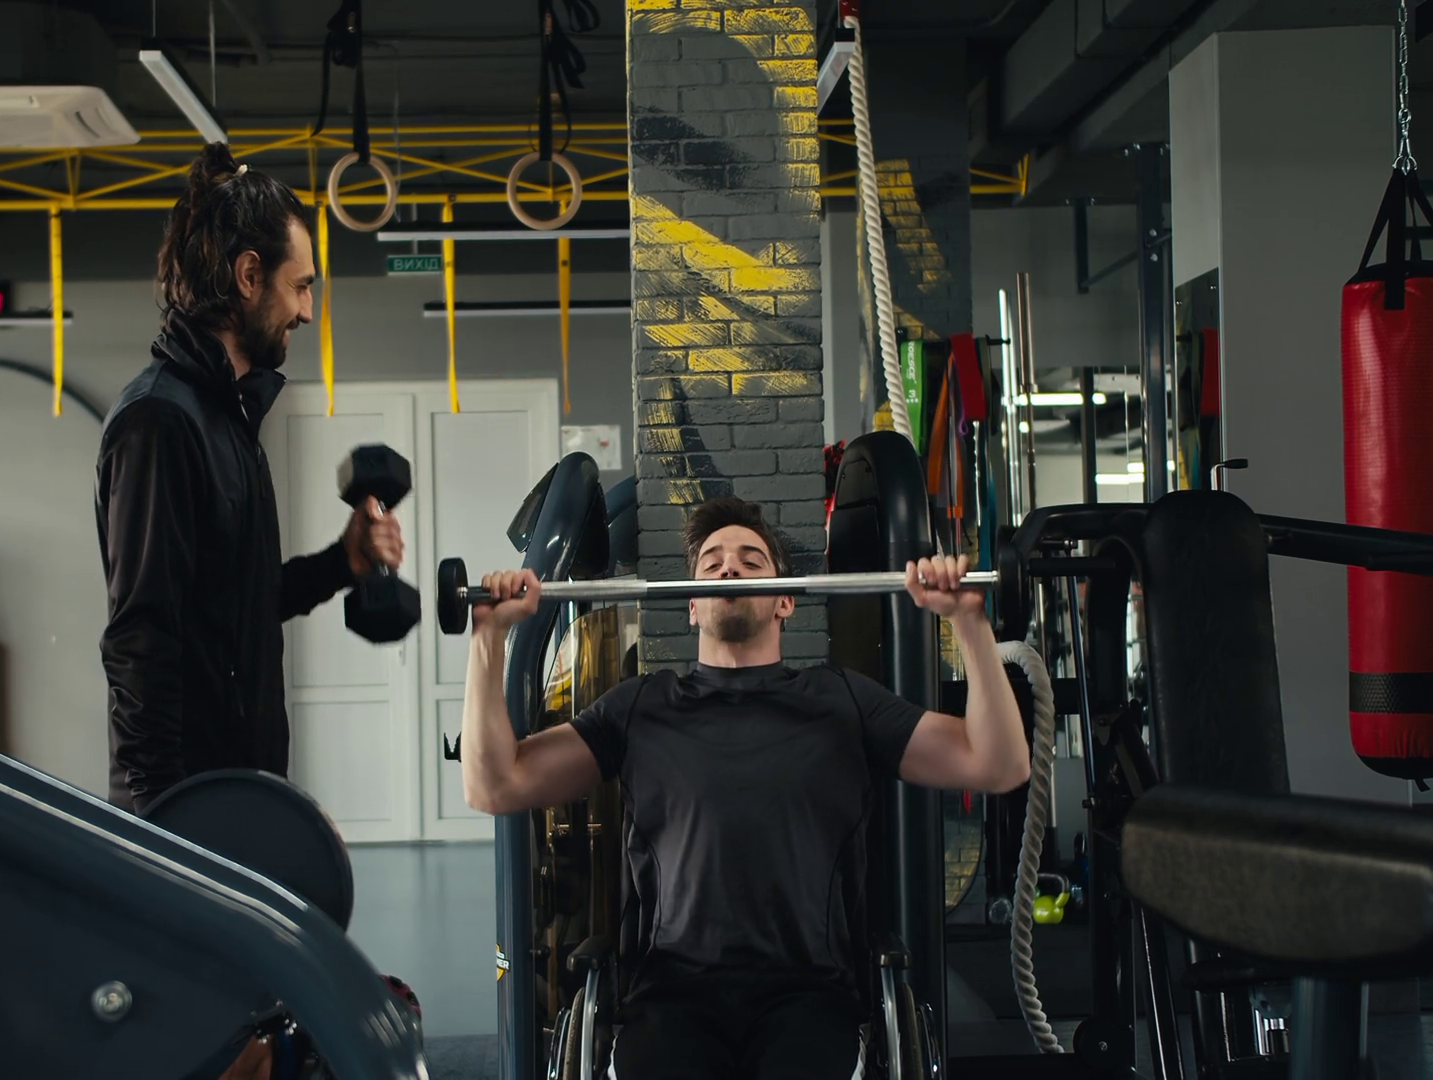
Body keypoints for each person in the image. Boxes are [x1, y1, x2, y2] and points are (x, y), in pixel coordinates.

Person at [459, 497, 1030, 1079]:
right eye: (711, 564)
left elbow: (998, 764)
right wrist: (488, 638)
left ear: (785, 601)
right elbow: (494, 785)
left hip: (809, 996)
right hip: (672, 996)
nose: (729, 567)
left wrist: (968, 622)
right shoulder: (640, 707)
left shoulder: (842, 701)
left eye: (751, 561)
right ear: (691, 606)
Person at [96, 142, 403, 815]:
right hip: (189, 808)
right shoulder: (159, 421)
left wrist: (342, 562)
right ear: (248, 276)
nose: (308, 311)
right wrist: (162, 826)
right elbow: (141, 640)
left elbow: (239, 608)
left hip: (242, 789)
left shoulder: (229, 421)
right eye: (301, 286)